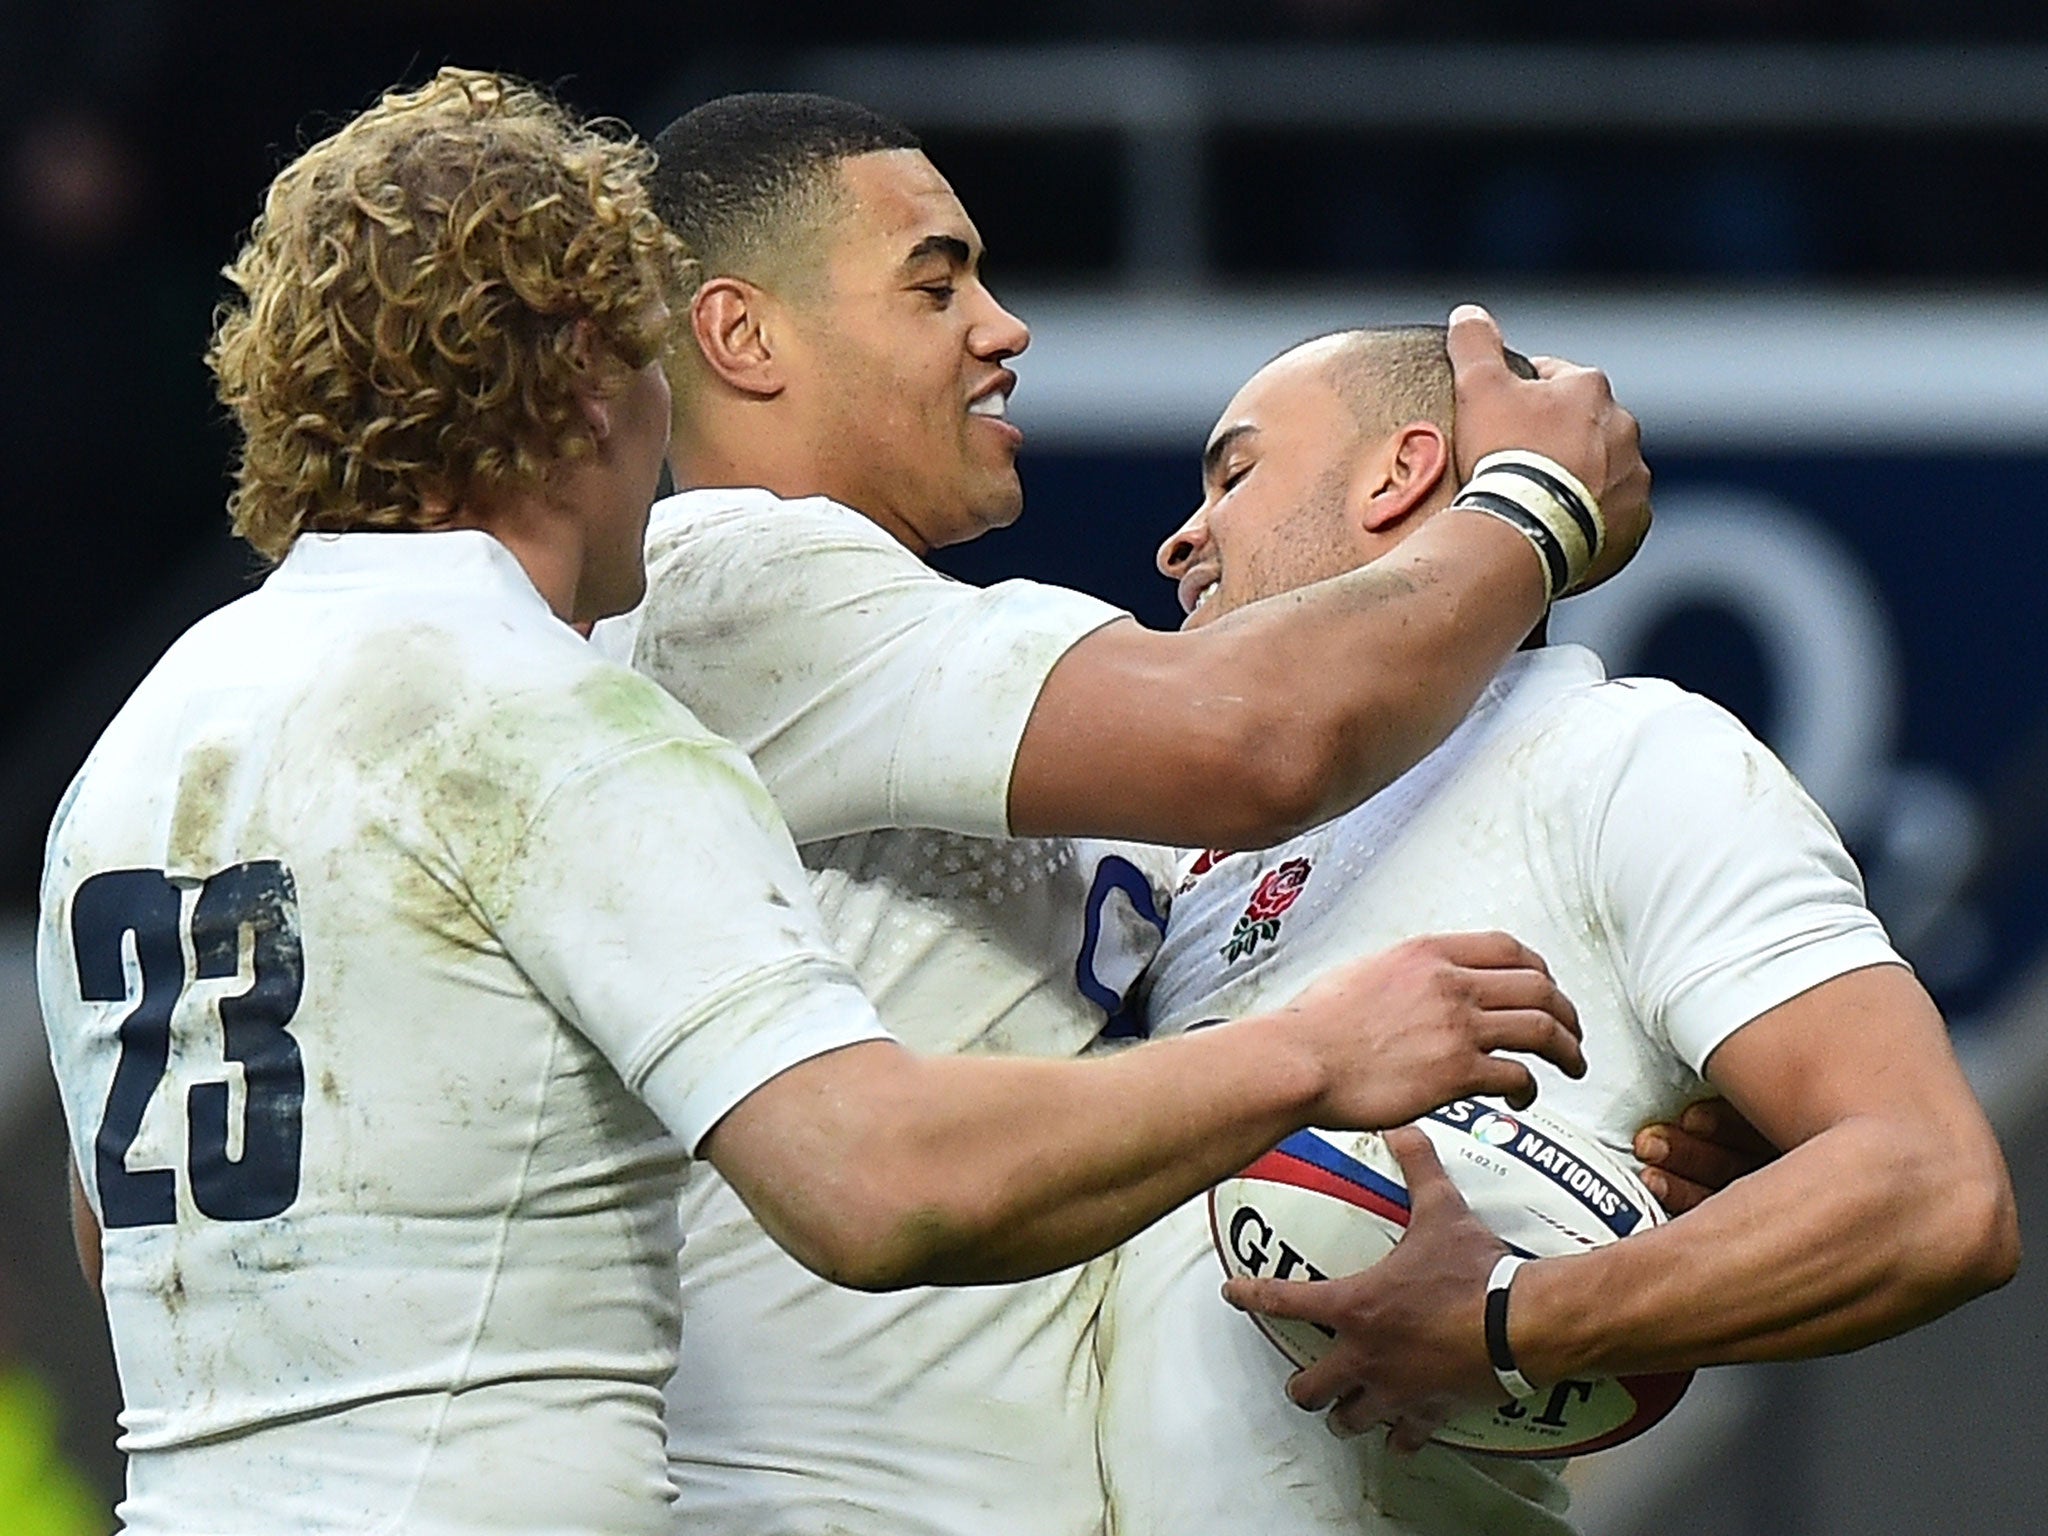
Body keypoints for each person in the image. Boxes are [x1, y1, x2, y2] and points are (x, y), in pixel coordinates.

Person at [35, 73, 1592, 1536]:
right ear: (591, 373)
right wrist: (1311, 1054)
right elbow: (874, 1182)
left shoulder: (146, 742)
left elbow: (119, 1237)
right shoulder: (543, 717)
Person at [605, 93, 1725, 1536]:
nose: (1003, 327)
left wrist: (1637, 1136)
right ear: (741, 336)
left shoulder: (976, 707)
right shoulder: (716, 582)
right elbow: (1262, 735)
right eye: (936, 283)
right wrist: (1532, 510)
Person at [1097, 325, 2021, 1535]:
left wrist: (1512, 1321)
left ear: (1402, 472)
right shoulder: (1179, 860)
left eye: (1233, 475)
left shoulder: (1623, 756)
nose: (1180, 537)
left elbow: (1934, 1190)